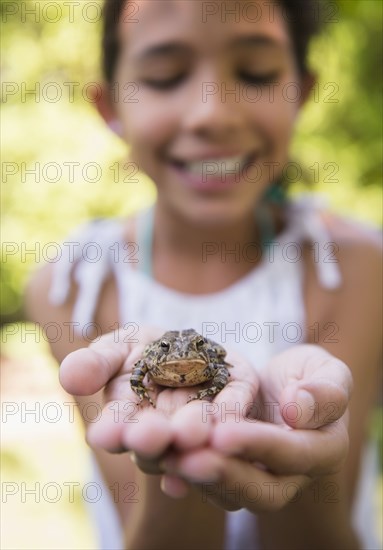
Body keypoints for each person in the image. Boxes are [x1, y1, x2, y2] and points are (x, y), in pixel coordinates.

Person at [26, 1, 382, 548]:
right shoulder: (75, 285)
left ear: (302, 92)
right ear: (110, 106)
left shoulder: (353, 264)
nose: (212, 114)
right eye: (165, 77)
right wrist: (181, 462)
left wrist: (296, 446)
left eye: (256, 73)